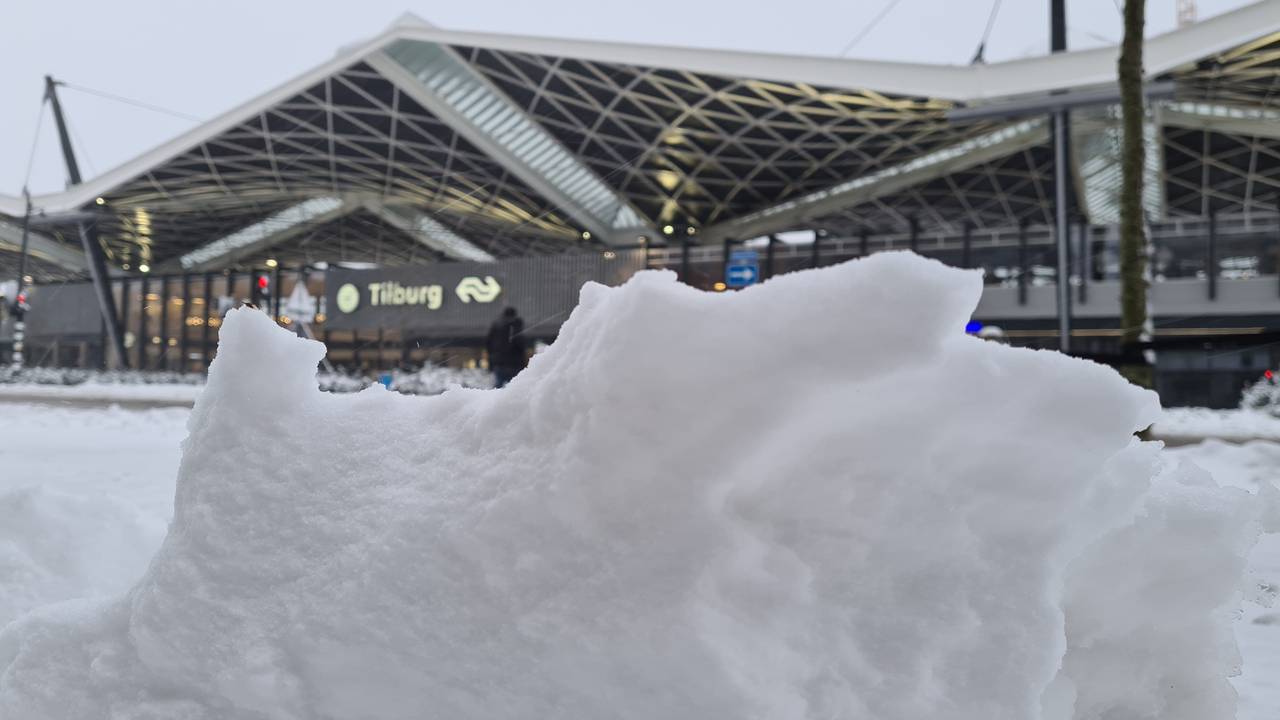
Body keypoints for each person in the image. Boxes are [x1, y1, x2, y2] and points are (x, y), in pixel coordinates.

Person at [487, 307, 527, 388]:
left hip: (499, 363)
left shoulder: (497, 326)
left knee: (497, 387)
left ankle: (495, 400)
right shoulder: (516, 326)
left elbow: (489, 344)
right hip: (515, 363)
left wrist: (492, 361)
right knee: (515, 387)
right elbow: (521, 345)